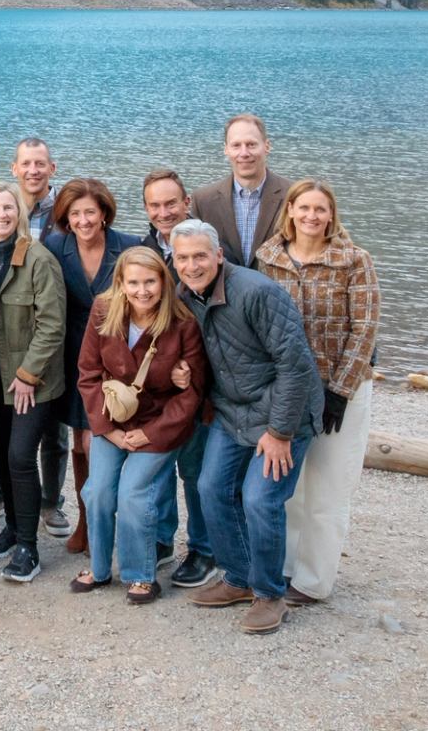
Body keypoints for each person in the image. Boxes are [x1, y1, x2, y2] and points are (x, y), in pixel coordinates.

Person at [170, 219, 322, 636]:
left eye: (200, 255)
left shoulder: (256, 292)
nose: (191, 265)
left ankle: (270, 594)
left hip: (284, 415)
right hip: (232, 412)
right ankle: (238, 579)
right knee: (210, 488)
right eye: (182, 257)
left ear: (218, 255)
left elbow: (295, 366)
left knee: (260, 499)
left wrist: (280, 433)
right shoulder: (185, 294)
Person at [254, 180, 381, 604]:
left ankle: (314, 581)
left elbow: (364, 330)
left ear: (331, 215)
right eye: (304, 207)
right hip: (287, 391)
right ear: (289, 211)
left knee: (327, 488)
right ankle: (286, 567)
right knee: (289, 489)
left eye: (320, 209)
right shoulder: (267, 259)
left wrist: (340, 392)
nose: (312, 216)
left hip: (337, 390)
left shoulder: (354, 261)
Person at [74, 247, 207, 604]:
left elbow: (191, 393)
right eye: (133, 282)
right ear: (120, 283)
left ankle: (140, 573)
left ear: (164, 283)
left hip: (160, 424)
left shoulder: (183, 323)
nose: (142, 290)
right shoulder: (103, 312)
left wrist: (150, 433)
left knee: (133, 494)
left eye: (150, 281)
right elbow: (87, 374)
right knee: (99, 490)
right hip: (113, 418)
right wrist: (108, 429)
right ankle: (100, 568)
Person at [0, 180, 67, 584]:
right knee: (4, 454)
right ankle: (12, 525)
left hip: (32, 379)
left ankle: (29, 546)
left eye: (9, 208)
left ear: (20, 214)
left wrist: (28, 374)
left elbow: (52, 324)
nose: (2, 215)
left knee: (20, 457)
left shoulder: (38, 259)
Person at [42, 177, 141, 554]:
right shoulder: (54, 246)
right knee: (82, 443)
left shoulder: (128, 246)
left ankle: (111, 520)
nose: (83, 220)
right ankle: (87, 521)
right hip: (73, 355)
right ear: (66, 217)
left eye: (90, 213)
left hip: (117, 356)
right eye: (75, 213)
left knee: (107, 437)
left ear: (104, 214)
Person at [141, 167, 217, 588]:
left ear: (187, 202)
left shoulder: (202, 248)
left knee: (195, 469)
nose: (164, 211)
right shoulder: (143, 251)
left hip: (199, 382)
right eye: (155, 205)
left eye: (171, 203)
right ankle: (161, 539)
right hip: (155, 384)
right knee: (158, 467)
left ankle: (204, 548)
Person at [190, 113, 287, 268]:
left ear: (267, 146)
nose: (244, 153)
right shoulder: (203, 200)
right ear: (226, 149)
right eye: (236, 145)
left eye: (251, 145)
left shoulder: (293, 196)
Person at [11, 138, 59, 238]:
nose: (33, 171)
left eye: (40, 164)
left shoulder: (67, 210)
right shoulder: (2, 213)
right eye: (25, 164)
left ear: (52, 169)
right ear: (14, 169)